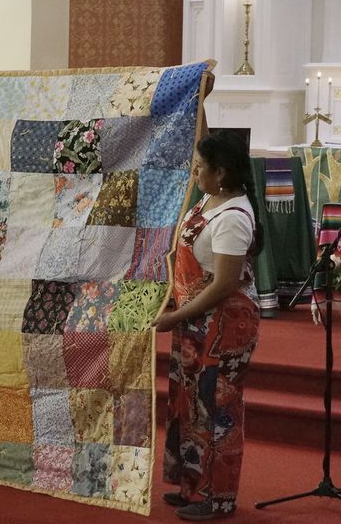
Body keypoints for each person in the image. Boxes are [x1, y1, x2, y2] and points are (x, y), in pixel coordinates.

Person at [152, 130, 262, 521]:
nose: (194, 172)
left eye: (200, 168)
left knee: (217, 411)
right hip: (194, 323)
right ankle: (192, 485)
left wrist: (175, 317)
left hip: (223, 328)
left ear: (221, 172)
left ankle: (219, 499)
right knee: (189, 406)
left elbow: (224, 285)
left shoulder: (233, 218)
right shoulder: (211, 199)